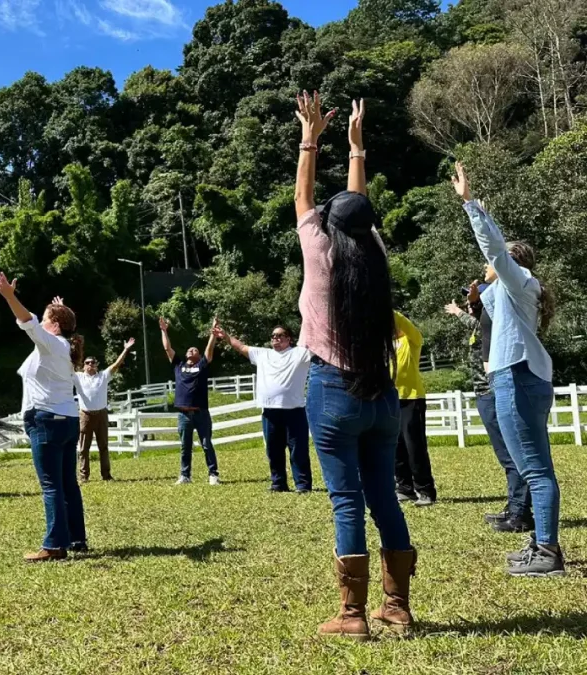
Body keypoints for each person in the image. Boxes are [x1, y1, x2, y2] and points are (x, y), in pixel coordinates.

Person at [294, 95, 415, 639]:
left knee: (347, 500)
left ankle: (352, 616)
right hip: (382, 395)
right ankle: (398, 606)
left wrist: (311, 137)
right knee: (384, 495)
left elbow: (304, 197)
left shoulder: (321, 253)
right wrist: (358, 150)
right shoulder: (376, 257)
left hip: (333, 388)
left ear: (329, 225)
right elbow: (355, 209)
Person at [452, 162, 563, 577]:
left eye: (495, 264)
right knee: (530, 467)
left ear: (511, 264)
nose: (486, 269)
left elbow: (495, 250)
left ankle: (548, 552)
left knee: (535, 469)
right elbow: (488, 290)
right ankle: (540, 543)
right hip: (513, 376)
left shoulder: (518, 283)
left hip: (517, 376)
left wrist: (470, 205)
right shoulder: (509, 293)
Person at [0, 275, 86, 562]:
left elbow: (28, 320)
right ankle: (76, 538)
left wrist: (9, 296)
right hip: (66, 420)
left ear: (54, 326)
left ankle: (55, 546)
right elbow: (45, 324)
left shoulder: (52, 344)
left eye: (48, 318)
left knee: (52, 485)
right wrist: (60, 309)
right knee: (67, 483)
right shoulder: (62, 347)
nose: (42, 321)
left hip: (47, 421)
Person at [446, 284, 533, 533]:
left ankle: (520, 513)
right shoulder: (485, 321)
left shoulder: (495, 321)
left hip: (493, 392)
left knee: (510, 456)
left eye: (477, 301)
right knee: (507, 456)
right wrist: (470, 305)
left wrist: (459, 311)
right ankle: (516, 507)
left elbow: (477, 323)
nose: (471, 303)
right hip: (486, 393)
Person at [225, 325, 312, 493]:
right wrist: (225, 335)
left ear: (289, 339)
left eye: (280, 335)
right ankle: (278, 484)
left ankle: (302, 485)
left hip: (294, 411)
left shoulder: (300, 353)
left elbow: (316, 344)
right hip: (270, 412)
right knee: (273, 450)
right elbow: (241, 347)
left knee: (298, 450)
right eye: (273, 335)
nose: (275, 338)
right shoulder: (263, 354)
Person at [158, 316, 223, 485]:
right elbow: (167, 348)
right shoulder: (178, 365)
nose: (191, 350)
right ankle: (185, 476)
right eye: (190, 349)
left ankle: (213, 474)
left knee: (206, 444)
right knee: (185, 447)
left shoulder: (201, 365)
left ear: (199, 355)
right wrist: (163, 330)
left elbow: (209, 352)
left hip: (201, 413)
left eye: (195, 350)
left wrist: (213, 333)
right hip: (183, 414)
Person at [73, 338, 135, 483]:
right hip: (85, 415)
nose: (90, 365)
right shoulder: (78, 377)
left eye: (93, 363)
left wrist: (126, 349)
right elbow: (67, 366)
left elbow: (116, 364)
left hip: (101, 414)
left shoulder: (103, 376)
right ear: (83, 366)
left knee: (104, 447)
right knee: (83, 449)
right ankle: (83, 476)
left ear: (97, 365)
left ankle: (106, 475)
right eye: (87, 363)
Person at [392, 311, 437, 507]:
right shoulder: (383, 346)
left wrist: (386, 308)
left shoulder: (411, 341)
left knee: (414, 447)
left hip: (412, 398)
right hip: (390, 401)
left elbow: (409, 328)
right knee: (395, 447)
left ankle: (425, 489)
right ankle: (404, 488)